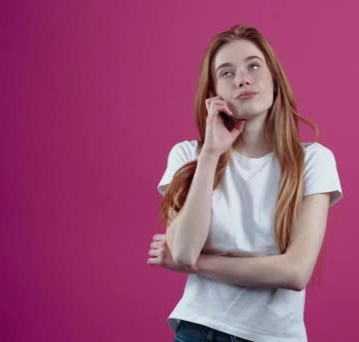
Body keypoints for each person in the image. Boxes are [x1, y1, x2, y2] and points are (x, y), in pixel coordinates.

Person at [147, 24, 343, 342]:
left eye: (253, 65)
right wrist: (210, 154)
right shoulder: (188, 155)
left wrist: (199, 263)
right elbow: (182, 251)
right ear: (214, 94)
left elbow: (295, 272)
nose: (242, 78)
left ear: (275, 79)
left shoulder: (314, 161)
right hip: (199, 330)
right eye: (226, 73)